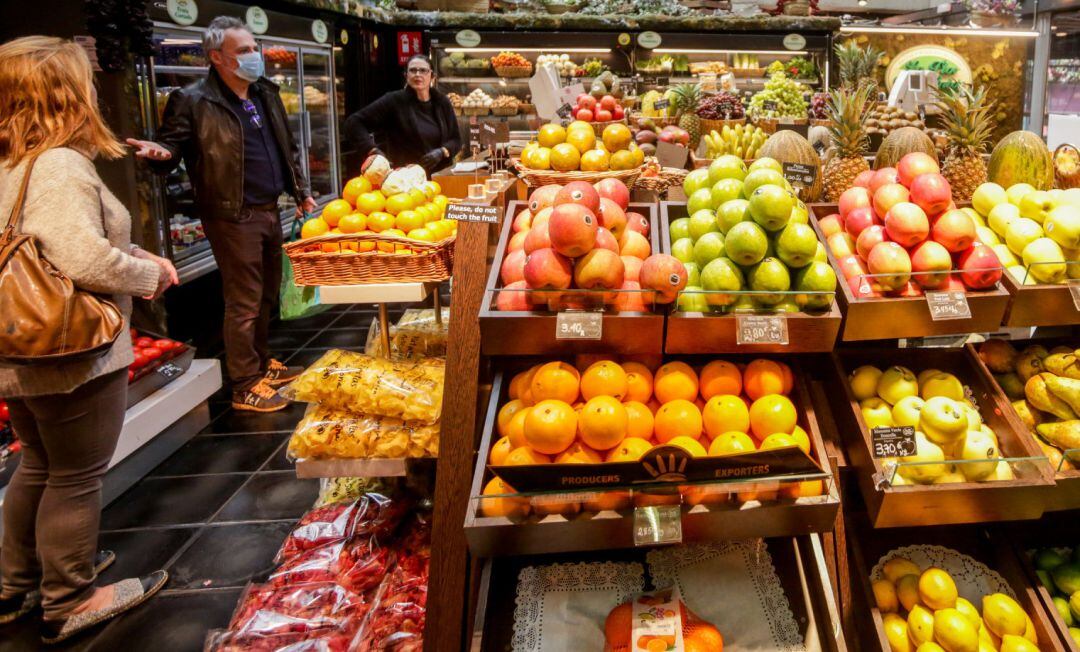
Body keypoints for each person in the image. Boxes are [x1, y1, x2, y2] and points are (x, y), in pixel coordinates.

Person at [0, 36, 173, 644]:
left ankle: (14, 585)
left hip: (20, 340)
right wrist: (146, 274)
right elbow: (81, 258)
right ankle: (69, 597)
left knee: (39, 464)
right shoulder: (58, 164)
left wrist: (126, 251)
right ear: (63, 92)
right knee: (76, 473)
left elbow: (43, 245)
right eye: (86, 79)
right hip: (69, 350)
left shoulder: (11, 161)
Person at [126, 15, 315, 413]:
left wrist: (300, 191)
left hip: (269, 209)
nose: (254, 56)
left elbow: (287, 146)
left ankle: (262, 365)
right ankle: (245, 383)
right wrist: (160, 156)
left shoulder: (264, 92)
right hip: (232, 214)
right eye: (243, 51)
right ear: (217, 57)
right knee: (244, 300)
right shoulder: (193, 100)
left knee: (267, 294)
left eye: (253, 48)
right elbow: (170, 148)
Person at [344, 54, 461, 174]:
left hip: (441, 177)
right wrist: (372, 150)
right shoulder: (394, 101)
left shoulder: (442, 102)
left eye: (423, 70)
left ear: (432, 76)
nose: (417, 74)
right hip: (406, 180)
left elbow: (456, 140)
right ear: (406, 75)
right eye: (413, 70)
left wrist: (442, 152)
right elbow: (353, 123)